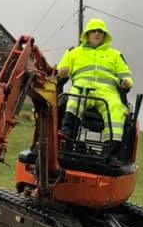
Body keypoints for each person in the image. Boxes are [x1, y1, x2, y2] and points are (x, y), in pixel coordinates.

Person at [56, 19, 133, 148]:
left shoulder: (115, 55)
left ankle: (112, 147)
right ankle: (67, 132)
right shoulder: (73, 52)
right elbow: (61, 70)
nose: (97, 33)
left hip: (108, 92)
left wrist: (126, 82)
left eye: (100, 31)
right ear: (87, 34)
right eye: (93, 31)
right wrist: (62, 74)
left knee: (116, 107)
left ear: (104, 35)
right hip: (83, 87)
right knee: (76, 97)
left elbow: (125, 74)